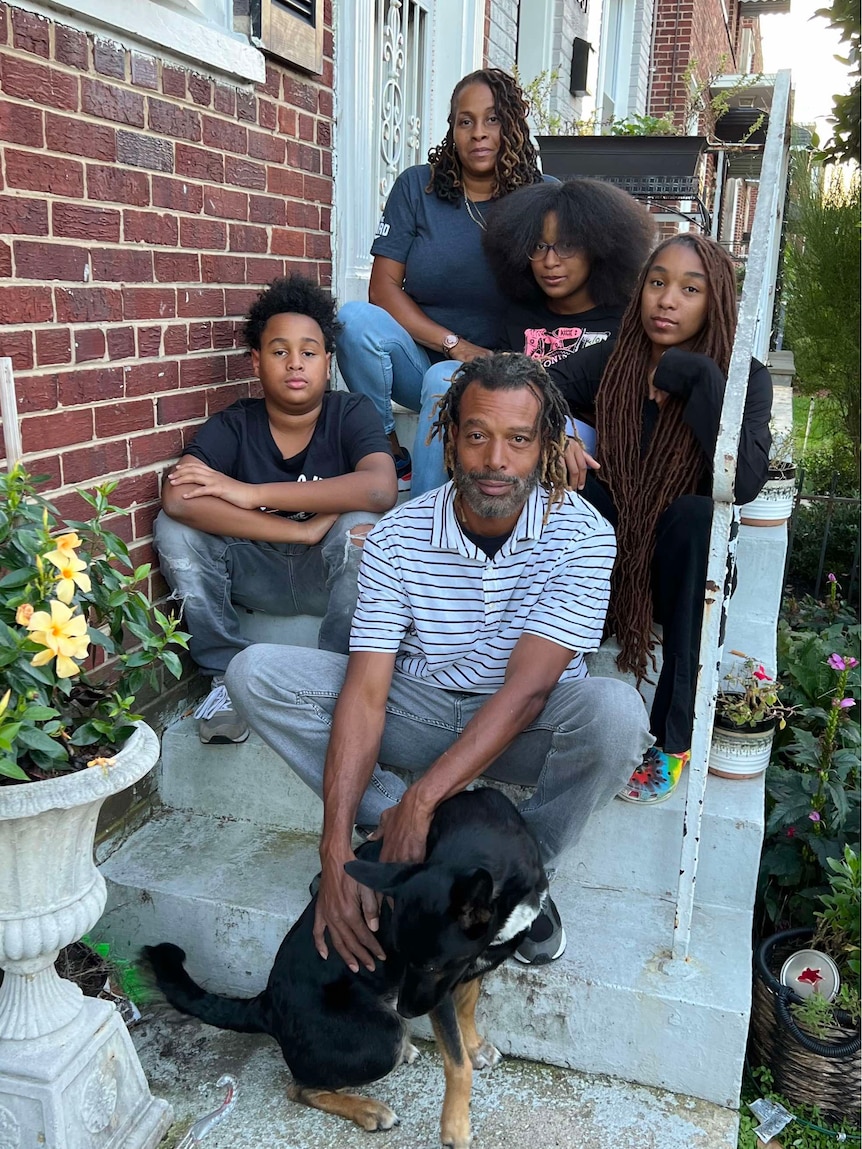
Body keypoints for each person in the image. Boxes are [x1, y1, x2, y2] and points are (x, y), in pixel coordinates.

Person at [225, 353, 652, 970]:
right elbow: (367, 691)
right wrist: (334, 851)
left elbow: (528, 693)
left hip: (522, 726)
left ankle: (519, 874)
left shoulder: (582, 534)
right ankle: (390, 836)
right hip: (420, 706)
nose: (496, 460)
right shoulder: (400, 534)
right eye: (477, 435)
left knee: (617, 714)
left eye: (518, 440)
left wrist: (421, 804)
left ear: (544, 448)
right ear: (448, 440)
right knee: (254, 673)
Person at [547, 233, 773, 804]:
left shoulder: (745, 378)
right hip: (610, 546)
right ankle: (543, 683)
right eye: (657, 282)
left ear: (714, 301)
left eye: (689, 289)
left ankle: (674, 736)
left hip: (679, 561)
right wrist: (559, 435)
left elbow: (742, 481)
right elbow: (532, 386)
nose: (666, 300)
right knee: (576, 492)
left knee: (700, 516)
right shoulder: (615, 358)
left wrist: (696, 377)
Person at [154, 276, 397, 745]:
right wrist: (298, 532)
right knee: (174, 528)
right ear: (256, 361)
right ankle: (226, 679)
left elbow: (379, 489)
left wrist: (249, 492)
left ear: (328, 362)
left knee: (358, 527)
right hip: (256, 571)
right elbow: (179, 496)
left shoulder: (351, 413)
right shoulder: (234, 424)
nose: (294, 364)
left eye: (309, 352)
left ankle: (335, 677)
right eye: (279, 351)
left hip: (328, 579)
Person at [335, 68, 545, 490]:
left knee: (443, 379)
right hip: (422, 358)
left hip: (500, 370)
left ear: (513, 125)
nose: (478, 133)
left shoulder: (542, 197)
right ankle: (388, 453)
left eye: (492, 119)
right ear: (453, 129)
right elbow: (383, 288)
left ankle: (425, 524)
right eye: (465, 121)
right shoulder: (418, 187)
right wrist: (455, 344)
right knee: (353, 321)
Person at [410, 177, 655, 493]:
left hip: (591, 449)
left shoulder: (625, 318)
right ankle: (427, 513)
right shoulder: (520, 313)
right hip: (517, 433)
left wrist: (560, 430)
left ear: (599, 248)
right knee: (447, 378)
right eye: (538, 246)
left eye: (567, 246)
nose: (550, 262)